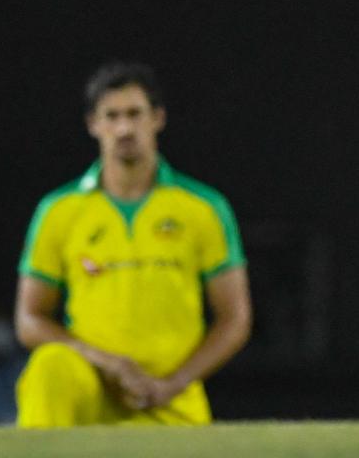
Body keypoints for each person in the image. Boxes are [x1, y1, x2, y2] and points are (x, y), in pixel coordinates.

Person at [13, 61, 253, 427]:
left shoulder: (203, 208)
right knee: (50, 365)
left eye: (134, 114)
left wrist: (174, 383)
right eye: (111, 116)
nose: (124, 128)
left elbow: (234, 318)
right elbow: (30, 319)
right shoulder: (58, 211)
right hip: (90, 392)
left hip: (170, 401)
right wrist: (107, 364)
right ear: (93, 124)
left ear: (157, 119)